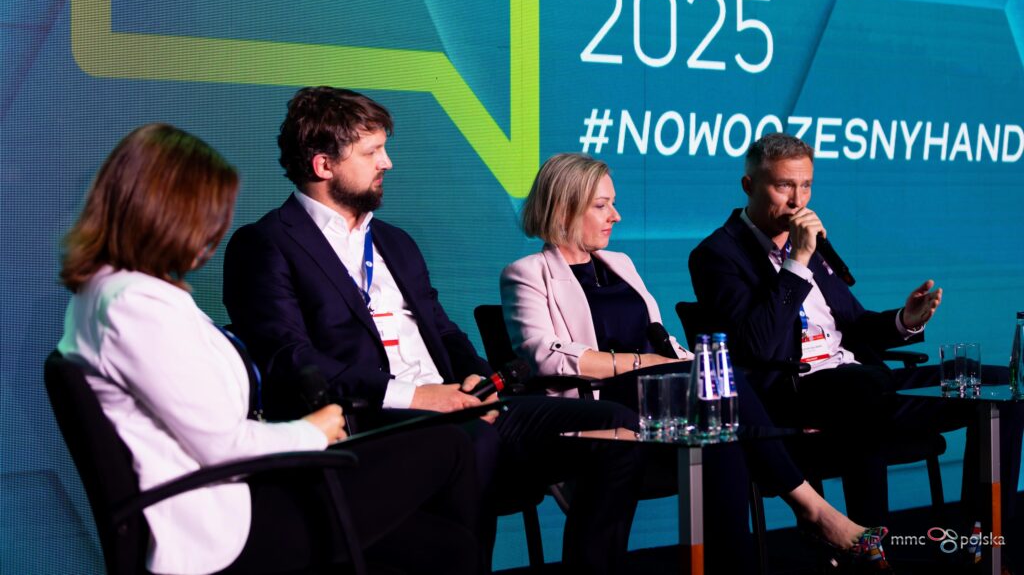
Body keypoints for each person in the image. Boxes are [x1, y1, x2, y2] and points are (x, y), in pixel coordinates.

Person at [223, 87, 644, 574]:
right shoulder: (266, 244)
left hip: (456, 404)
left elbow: (444, 332)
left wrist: (478, 379)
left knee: (617, 426)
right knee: (472, 441)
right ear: (324, 165)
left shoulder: (395, 242)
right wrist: (418, 397)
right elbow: (290, 360)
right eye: (372, 152)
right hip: (376, 420)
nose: (387, 163)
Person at [57, 124, 479, 575]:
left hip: (230, 498)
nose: (215, 230)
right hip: (220, 524)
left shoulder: (117, 295)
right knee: (448, 448)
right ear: (168, 212)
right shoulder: (134, 306)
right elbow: (224, 445)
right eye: (211, 213)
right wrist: (314, 431)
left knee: (445, 546)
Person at [500, 152, 891, 572]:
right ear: (563, 208)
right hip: (599, 405)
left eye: (613, 203)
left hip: (660, 397)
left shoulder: (620, 264)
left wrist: (687, 362)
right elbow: (545, 355)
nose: (616, 215)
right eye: (601, 205)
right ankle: (813, 509)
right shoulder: (526, 273)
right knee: (714, 390)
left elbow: (660, 338)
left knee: (721, 424)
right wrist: (643, 363)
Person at [688, 132, 1023, 524]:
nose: (798, 201)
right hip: (796, 393)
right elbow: (757, 345)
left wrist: (904, 321)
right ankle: (869, 543)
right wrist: (797, 262)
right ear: (749, 185)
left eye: (806, 186)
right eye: (784, 186)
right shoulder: (717, 254)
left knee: (1001, 385)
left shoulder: (809, 246)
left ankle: (980, 537)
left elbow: (855, 324)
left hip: (861, 383)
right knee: (865, 386)